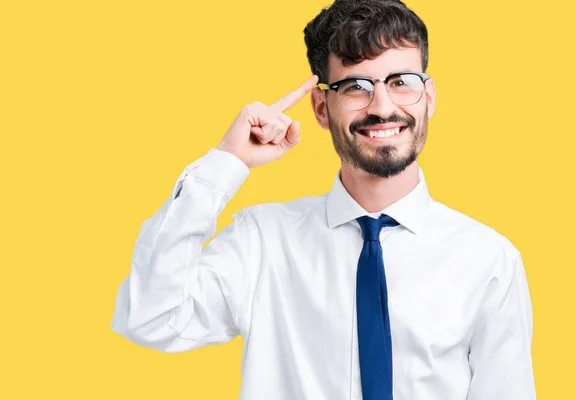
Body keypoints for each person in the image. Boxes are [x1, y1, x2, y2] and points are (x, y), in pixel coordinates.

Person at [110, 0, 536, 399]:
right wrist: (226, 164)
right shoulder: (262, 243)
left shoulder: (488, 260)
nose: (382, 106)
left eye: (401, 82)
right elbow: (150, 317)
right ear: (320, 107)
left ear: (429, 96)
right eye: (356, 86)